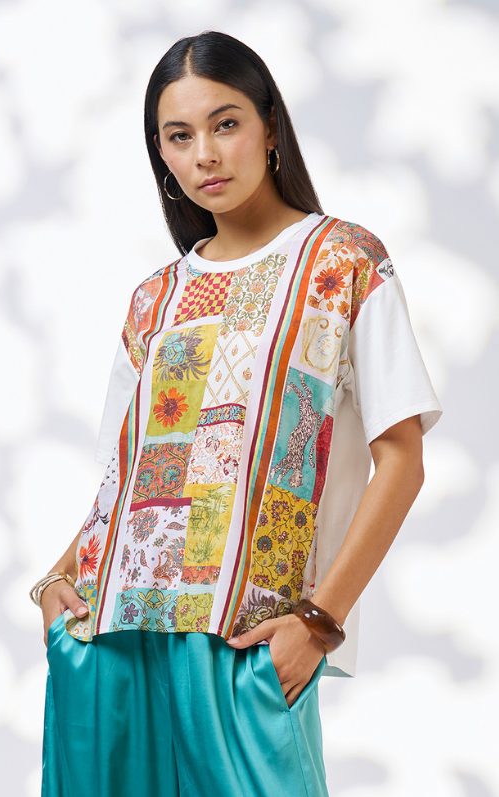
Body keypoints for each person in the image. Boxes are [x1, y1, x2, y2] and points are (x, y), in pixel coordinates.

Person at [31, 30, 442, 797]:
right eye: (179, 136)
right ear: (162, 155)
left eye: (225, 124)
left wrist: (319, 622)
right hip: (112, 637)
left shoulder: (342, 262)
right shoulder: (155, 299)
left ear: (270, 126)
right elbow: (126, 477)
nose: (206, 155)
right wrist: (56, 582)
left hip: (245, 641)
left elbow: (403, 459)